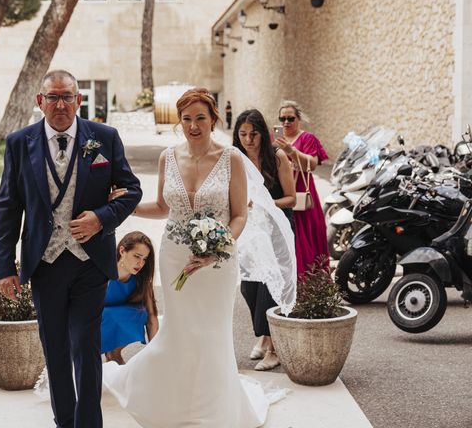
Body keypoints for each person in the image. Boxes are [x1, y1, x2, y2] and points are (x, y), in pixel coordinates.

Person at [102, 88, 289, 427]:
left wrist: (217, 248)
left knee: (211, 332)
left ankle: (212, 409)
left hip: (217, 262)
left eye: (200, 118)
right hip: (175, 257)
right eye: (186, 119)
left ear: (213, 119)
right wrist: (122, 206)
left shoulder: (231, 158)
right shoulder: (167, 157)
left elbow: (239, 216)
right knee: (181, 332)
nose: (193, 125)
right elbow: (162, 208)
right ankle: (173, 401)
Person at [0, 70, 142, 428]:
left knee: (86, 348)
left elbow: (131, 190)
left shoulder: (104, 138)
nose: (60, 104)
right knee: (55, 349)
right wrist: (5, 268)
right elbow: (8, 207)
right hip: (45, 264)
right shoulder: (19, 142)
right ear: (39, 101)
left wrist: (102, 218)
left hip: (90, 262)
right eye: (53, 97)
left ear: (78, 100)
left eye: (67, 97)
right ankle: (65, 421)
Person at [233, 109, 295, 372]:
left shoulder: (277, 157)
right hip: (250, 231)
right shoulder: (236, 159)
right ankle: (264, 334)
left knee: (271, 287)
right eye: (243, 134)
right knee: (250, 286)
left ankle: (274, 349)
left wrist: (262, 204)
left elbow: (291, 198)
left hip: (276, 230)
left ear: (263, 133)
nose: (248, 140)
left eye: (254, 134)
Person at [274, 100, 329, 276]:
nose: (286, 122)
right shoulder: (276, 139)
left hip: (301, 193)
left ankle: (307, 280)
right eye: (282, 118)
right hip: (282, 191)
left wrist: (291, 151)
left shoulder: (307, 138)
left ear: (299, 119)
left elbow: (312, 165)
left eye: (290, 118)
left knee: (305, 235)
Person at [101, 231, 159, 365]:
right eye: (137, 256)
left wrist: (155, 351)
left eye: (144, 259)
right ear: (122, 251)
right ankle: (110, 352)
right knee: (110, 315)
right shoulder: (103, 273)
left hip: (119, 318)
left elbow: (151, 316)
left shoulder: (141, 280)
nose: (141, 263)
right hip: (97, 320)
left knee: (141, 312)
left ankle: (114, 352)